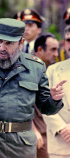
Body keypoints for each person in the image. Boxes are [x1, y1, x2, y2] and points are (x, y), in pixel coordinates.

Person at [0, 18, 65, 158]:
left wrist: (54, 99)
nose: (2, 47)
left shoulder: (35, 67)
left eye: (9, 43)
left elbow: (46, 109)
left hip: (21, 146)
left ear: (21, 43)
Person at [42, 26, 70, 158]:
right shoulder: (52, 70)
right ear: (64, 44)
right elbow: (44, 104)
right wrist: (63, 128)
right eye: (69, 40)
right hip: (60, 144)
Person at [32, 33, 59, 158]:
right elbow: (20, 105)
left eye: (57, 49)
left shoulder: (53, 70)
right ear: (40, 50)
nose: (56, 54)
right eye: (53, 49)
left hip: (54, 132)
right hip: (39, 134)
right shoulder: (28, 70)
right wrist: (33, 130)